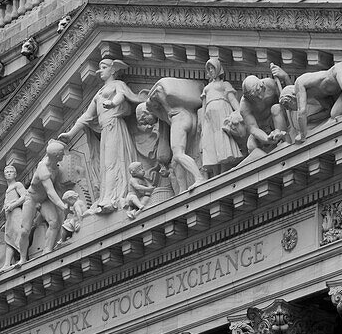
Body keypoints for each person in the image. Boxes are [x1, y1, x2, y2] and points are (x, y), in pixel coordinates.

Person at [59, 58, 143, 212]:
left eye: (104, 67)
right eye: (100, 68)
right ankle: (107, 197)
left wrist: (113, 103)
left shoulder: (118, 84)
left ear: (113, 69)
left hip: (115, 126)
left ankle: (115, 197)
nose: (101, 71)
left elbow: (121, 96)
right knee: (105, 165)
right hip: (106, 131)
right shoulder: (98, 94)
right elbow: (86, 117)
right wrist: (70, 134)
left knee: (113, 162)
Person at [144, 77, 204, 191]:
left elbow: (159, 91)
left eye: (143, 118)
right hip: (189, 119)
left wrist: (149, 103)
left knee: (178, 155)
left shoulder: (168, 108)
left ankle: (199, 178)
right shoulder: (166, 113)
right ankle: (182, 190)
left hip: (180, 120)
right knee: (175, 163)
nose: (145, 123)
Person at [18, 140, 68, 260]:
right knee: (25, 230)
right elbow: (50, 191)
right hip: (32, 199)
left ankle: (47, 251)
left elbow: (56, 190)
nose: (64, 155)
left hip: (44, 200)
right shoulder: (43, 168)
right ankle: (22, 258)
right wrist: (62, 206)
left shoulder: (56, 166)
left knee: (54, 222)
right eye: (62, 153)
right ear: (56, 156)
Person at [200, 58, 242, 176]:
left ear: (218, 68)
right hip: (209, 118)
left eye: (213, 68)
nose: (211, 71)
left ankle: (224, 169)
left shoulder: (224, 84)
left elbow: (232, 99)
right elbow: (203, 106)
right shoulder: (207, 88)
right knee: (210, 141)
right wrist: (202, 124)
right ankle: (215, 172)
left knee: (222, 139)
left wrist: (239, 111)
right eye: (209, 69)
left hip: (222, 113)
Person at [239, 75, 289, 153]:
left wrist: (285, 77)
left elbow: (287, 97)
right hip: (261, 128)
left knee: (276, 108)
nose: (259, 97)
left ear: (262, 85)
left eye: (259, 91)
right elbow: (253, 128)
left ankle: (283, 139)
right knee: (251, 146)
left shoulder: (270, 84)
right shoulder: (244, 104)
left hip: (277, 120)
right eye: (254, 97)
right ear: (248, 97)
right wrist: (267, 139)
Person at [1, 164, 27, 268]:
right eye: (6, 172)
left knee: (18, 234)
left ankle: (23, 258)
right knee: (8, 238)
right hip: (9, 217)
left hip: (16, 213)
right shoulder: (7, 189)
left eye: (11, 172)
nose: (9, 173)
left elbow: (24, 196)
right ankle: (7, 264)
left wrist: (12, 205)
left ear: (15, 174)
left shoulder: (17, 185)